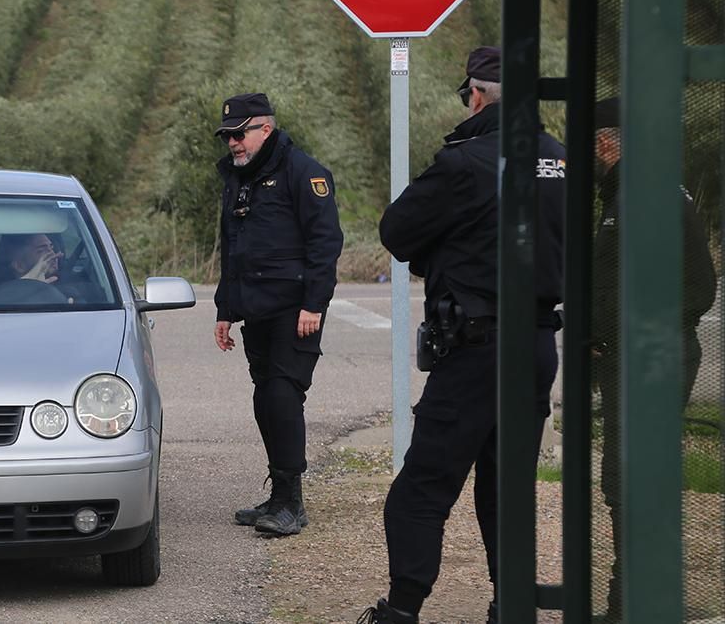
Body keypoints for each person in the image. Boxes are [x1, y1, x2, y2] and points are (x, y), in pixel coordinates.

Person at [360, 47, 566, 624]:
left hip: (476, 348)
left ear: (476, 96)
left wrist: (447, 255)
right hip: (536, 346)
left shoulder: (466, 162)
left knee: (422, 490)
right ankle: (511, 605)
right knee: (506, 487)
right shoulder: (561, 159)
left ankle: (400, 612)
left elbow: (398, 231)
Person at [590, 97, 717, 622]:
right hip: (643, 358)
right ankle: (635, 598)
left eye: (592, 145)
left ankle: (639, 603)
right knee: (635, 479)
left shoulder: (640, 194)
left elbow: (697, 288)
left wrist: (638, 334)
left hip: (644, 362)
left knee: (628, 479)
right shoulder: (653, 189)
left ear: (605, 142)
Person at [212, 92, 344, 537]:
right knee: (265, 398)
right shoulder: (239, 178)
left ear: (264, 129)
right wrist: (225, 310)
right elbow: (231, 248)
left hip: (294, 310)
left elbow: (325, 243)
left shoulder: (302, 172)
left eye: (239, 133)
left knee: (284, 397)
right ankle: (279, 495)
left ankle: (291, 503)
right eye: (228, 135)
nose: (232, 143)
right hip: (256, 311)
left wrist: (314, 304)